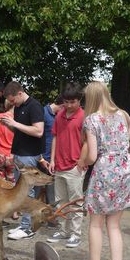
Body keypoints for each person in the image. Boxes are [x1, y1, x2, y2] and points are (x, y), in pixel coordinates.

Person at [82, 81, 130, 260]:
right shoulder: (124, 114)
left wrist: (82, 163)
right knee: (114, 226)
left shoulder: (91, 120)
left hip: (105, 172)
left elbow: (92, 155)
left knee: (96, 224)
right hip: (126, 171)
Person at [1, 81, 45, 240]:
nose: (12, 104)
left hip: (29, 154)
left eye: (13, 100)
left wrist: (15, 123)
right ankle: (24, 224)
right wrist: (9, 126)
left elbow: (38, 131)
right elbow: (21, 130)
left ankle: (27, 227)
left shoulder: (34, 106)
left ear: (20, 93)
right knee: (21, 190)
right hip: (19, 153)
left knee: (28, 191)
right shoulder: (19, 107)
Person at [47, 83, 87, 248]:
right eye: (66, 102)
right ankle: (63, 231)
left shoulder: (84, 117)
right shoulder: (60, 115)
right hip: (59, 164)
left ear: (79, 101)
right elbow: (55, 137)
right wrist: (52, 160)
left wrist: (81, 161)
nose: (69, 105)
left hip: (75, 166)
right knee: (60, 201)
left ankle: (75, 234)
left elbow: (87, 142)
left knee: (76, 201)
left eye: (73, 102)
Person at [38, 95, 64, 205]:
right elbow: (37, 136)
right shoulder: (43, 113)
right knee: (36, 190)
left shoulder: (59, 116)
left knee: (51, 191)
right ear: (62, 105)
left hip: (53, 160)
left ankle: (51, 218)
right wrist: (41, 158)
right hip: (41, 158)